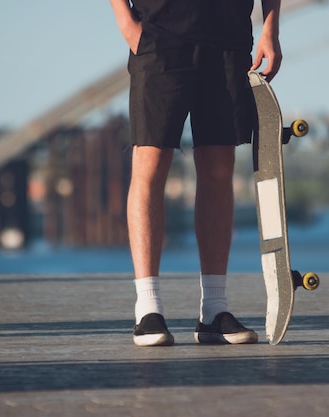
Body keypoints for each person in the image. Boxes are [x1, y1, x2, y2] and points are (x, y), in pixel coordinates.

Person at [109, 0, 283, 346]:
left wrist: (270, 28)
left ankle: (214, 311)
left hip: (228, 37)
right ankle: (148, 309)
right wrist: (126, 21)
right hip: (159, 33)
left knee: (219, 168)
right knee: (151, 162)